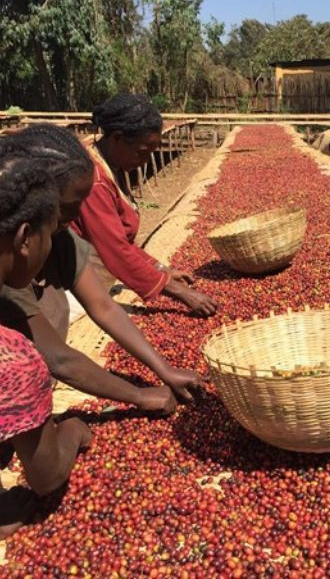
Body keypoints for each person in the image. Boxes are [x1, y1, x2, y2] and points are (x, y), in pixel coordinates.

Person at [0, 125, 198, 410]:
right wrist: (139, 396)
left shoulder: (59, 236)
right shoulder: (9, 261)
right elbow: (57, 358)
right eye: (68, 207)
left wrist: (164, 370)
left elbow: (103, 306)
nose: (78, 215)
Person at [0, 154, 91, 539]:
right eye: (50, 236)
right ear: (24, 238)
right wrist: (72, 431)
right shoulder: (13, 359)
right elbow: (47, 477)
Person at [71, 94, 217, 316]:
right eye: (142, 152)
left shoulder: (107, 163)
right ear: (117, 138)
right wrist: (180, 293)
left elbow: (121, 242)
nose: (145, 161)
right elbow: (116, 251)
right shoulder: (93, 181)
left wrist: (161, 270)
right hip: (72, 293)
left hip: (94, 281)